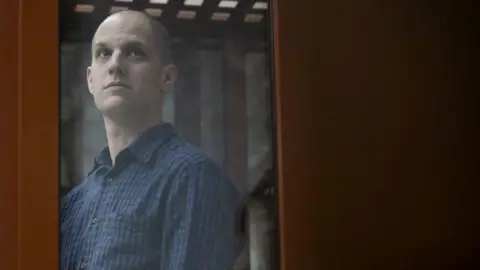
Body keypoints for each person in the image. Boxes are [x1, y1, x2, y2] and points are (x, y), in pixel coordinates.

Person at [60, 10, 243, 270]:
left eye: (134, 52)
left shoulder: (193, 177)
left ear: (166, 77)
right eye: (103, 53)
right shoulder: (75, 202)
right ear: (91, 79)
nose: (115, 65)